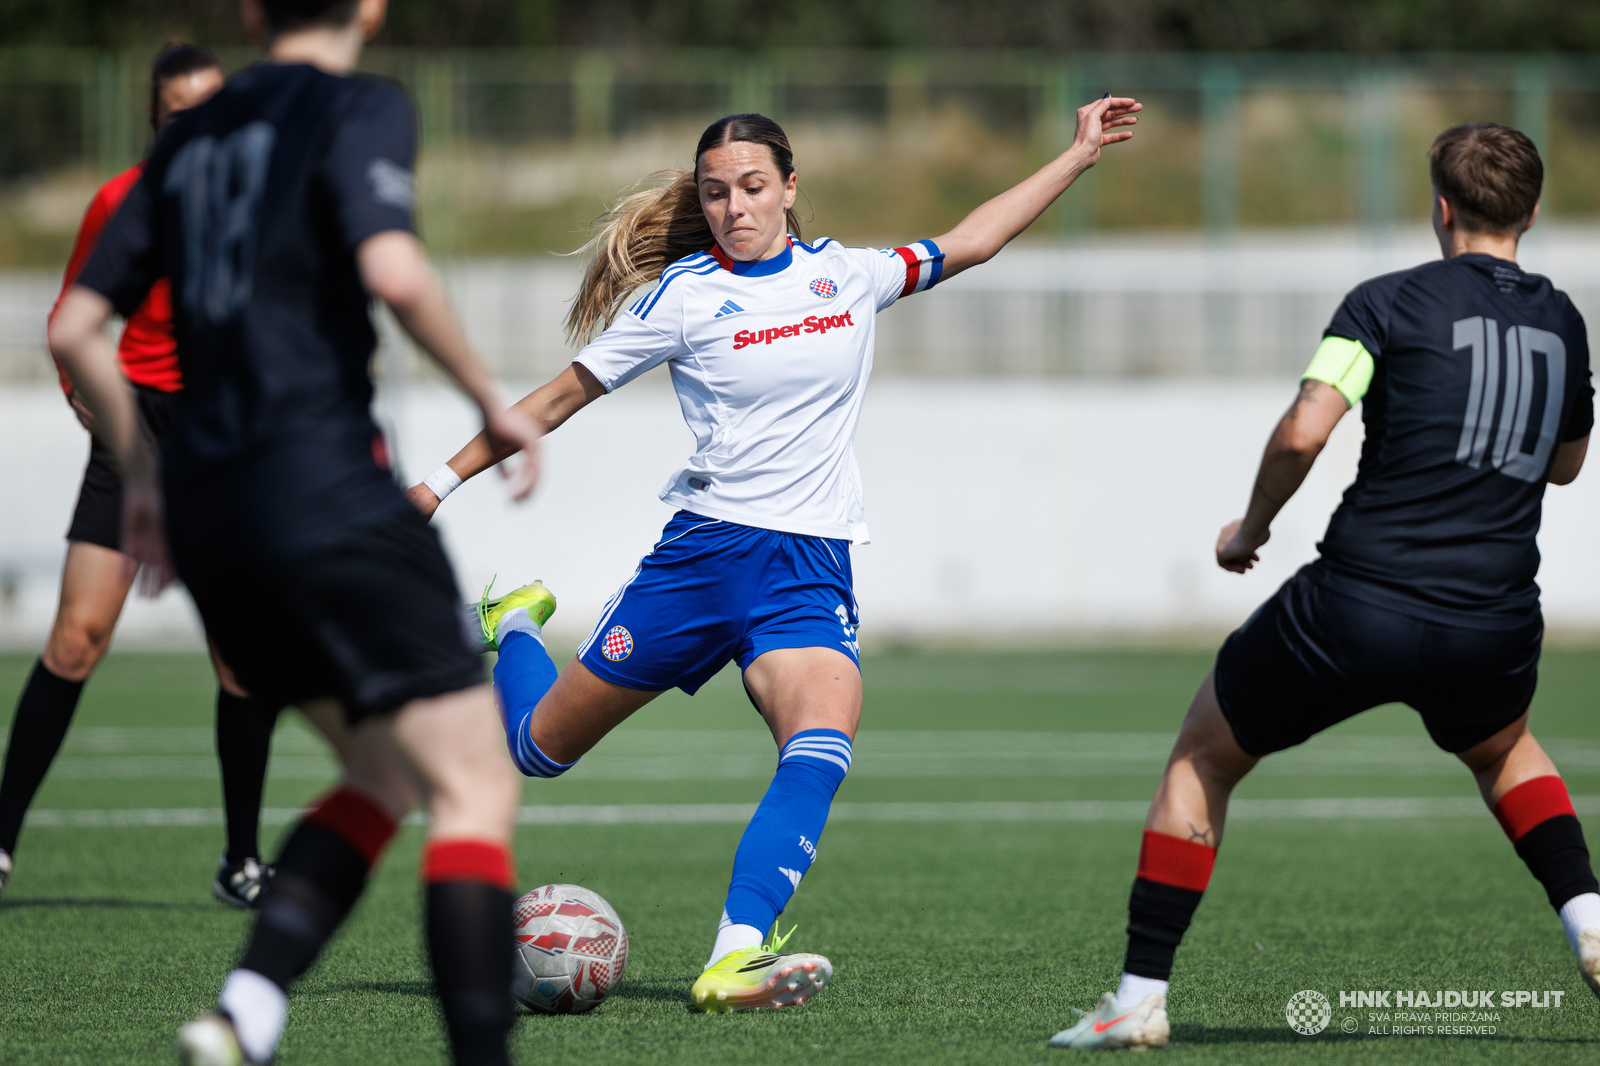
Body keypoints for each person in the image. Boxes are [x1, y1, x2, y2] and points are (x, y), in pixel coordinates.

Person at [408, 95, 1141, 1011]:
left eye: (753, 187)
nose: (734, 208)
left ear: (791, 190)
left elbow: (972, 241)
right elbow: (554, 400)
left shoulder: (849, 276)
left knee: (820, 747)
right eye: (715, 194)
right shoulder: (680, 300)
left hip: (809, 568)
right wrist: (436, 484)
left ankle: (733, 955)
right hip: (703, 564)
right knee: (537, 751)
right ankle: (513, 621)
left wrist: (1074, 157)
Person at [48, 1, 544, 1063]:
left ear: (250, 11)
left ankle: (248, 1007)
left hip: (214, 522)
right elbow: (395, 270)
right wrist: (487, 398)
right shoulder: (358, 105)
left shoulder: (183, 143)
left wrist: (142, 477)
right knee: (474, 783)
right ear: (369, 6)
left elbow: (73, 328)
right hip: (324, 490)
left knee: (381, 772)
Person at [1049, 122, 1599, 1051]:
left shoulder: (1385, 303)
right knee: (1504, 751)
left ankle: (1137, 999)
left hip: (1361, 602)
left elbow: (1307, 430)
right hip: (1494, 617)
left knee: (1205, 755)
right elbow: (1568, 464)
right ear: (1533, 214)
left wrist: (1251, 528)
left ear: (1440, 208)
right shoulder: (1565, 321)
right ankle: (1587, 914)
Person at [0, 41, 284, 911]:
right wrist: (83, 395)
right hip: (138, 427)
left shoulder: (260, 202)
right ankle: (2, 844)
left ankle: (241, 861)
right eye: (177, 118)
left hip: (224, 438)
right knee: (78, 637)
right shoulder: (122, 201)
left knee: (244, 663)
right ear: (154, 125)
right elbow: (71, 313)